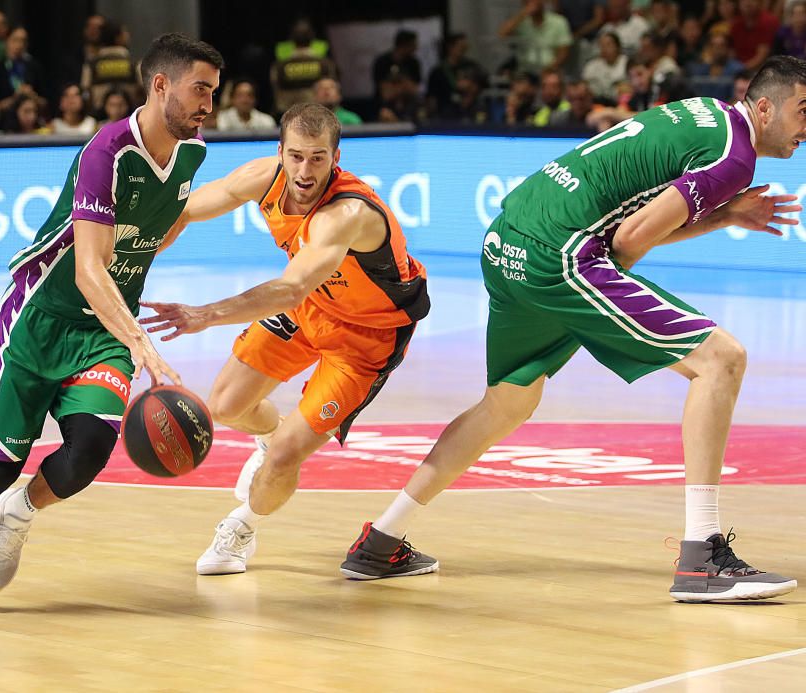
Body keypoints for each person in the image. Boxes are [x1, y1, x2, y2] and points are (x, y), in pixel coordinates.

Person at [339, 56, 806, 603]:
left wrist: (723, 217)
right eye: (804, 110)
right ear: (766, 107)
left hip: (507, 237)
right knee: (719, 359)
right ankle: (702, 557)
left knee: (506, 404)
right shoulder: (736, 158)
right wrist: (600, 293)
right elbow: (631, 240)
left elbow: (631, 211)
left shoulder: (705, 111)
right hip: (555, 255)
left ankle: (380, 540)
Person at [0, 33, 224, 617]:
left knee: (90, 449)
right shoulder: (105, 153)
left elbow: (172, 214)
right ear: (161, 85)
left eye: (213, 90)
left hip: (101, 332)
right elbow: (87, 271)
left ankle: (20, 513)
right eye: (199, 89)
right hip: (40, 321)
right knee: (0, 465)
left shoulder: (192, 151)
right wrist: (144, 346)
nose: (208, 103)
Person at [139, 102, 431, 577]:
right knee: (227, 406)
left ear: (336, 158)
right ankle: (269, 434)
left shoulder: (347, 213)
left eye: (318, 158)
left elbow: (291, 286)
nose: (304, 169)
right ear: (281, 152)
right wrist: (140, 252)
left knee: (284, 458)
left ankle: (242, 526)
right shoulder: (264, 175)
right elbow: (185, 208)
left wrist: (205, 314)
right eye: (296, 156)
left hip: (366, 337)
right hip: (309, 310)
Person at [498, 0, 574, 74]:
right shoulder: (521, 22)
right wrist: (523, 13)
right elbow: (502, 34)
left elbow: (563, 53)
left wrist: (549, 69)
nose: (532, 3)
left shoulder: (559, 21)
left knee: (551, 81)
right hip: (525, 70)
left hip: (550, 70)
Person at [0, 26, 45, 114]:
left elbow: (45, 103)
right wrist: (15, 98)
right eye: (15, 40)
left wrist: (32, 96)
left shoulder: (34, 67)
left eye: (23, 41)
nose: (19, 45)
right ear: (6, 41)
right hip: (4, 122)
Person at [372, 29, 422, 122]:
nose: (416, 47)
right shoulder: (382, 62)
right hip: (385, 110)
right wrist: (405, 86)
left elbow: (414, 90)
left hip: (409, 111)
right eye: (414, 44)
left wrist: (396, 87)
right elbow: (386, 94)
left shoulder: (414, 63)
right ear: (405, 45)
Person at [731, 0, 779, 70]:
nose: (748, 3)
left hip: (764, 69)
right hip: (737, 69)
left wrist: (741, 69)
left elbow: (762, 55)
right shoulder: (735, 24)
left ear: (760, 3)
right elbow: (732, 53)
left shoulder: (769, 21)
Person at [583, 32, 629, 103]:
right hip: (597, 102)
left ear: (618, 46)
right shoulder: (591, 66)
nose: (604, 49)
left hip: (622, 103)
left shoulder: (627, 63)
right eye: (602, 46)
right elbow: (584, 88)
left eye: (608, 45)